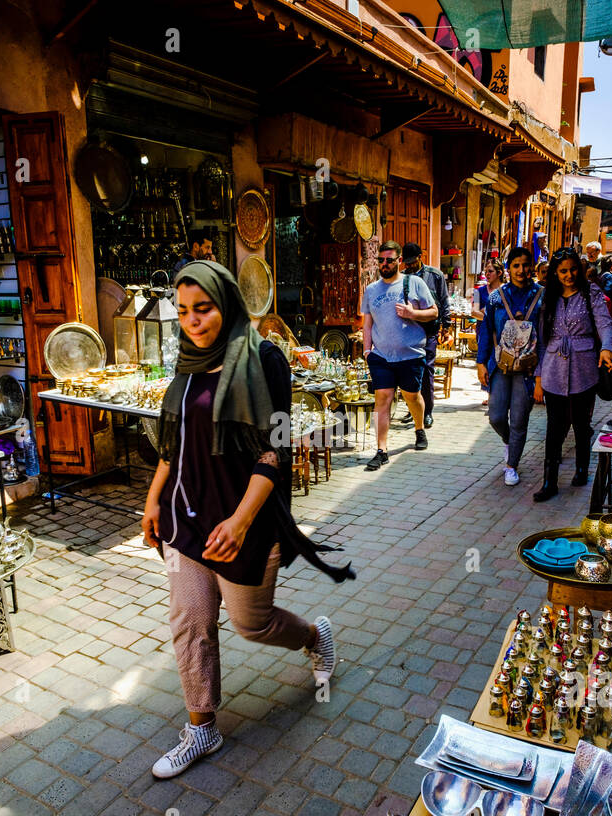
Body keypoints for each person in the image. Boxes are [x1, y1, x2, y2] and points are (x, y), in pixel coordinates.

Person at [142, 261, 354, 779]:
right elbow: (175, 441)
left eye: (205, 309)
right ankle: (202, 727)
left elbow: (274, 450)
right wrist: (152, 500)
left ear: (229, 303)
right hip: (186, 517)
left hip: (246, 521)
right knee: (190, 620)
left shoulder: (265, 360)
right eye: (184, 310)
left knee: (249, 623)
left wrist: (238, 521)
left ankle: (312, 635)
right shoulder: (190, 362)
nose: (193, 321)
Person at [532, 248, 612, 502]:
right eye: (562, 271)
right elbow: (540, 339)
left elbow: (604, 322)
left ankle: (582, 468)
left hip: (584, 367)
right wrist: (538, 376)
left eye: (572, 270)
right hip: (552, 368)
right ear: (555, 273)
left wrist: (606, 347)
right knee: (554, 426)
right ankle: (550, 481)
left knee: (581, 423)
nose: (569, 275)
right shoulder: (548, 297)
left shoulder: (591, 292)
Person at [361, 240, 437, 470]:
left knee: (412, 397)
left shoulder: (414, 283)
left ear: (399, 261)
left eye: (389, 260)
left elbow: (434, 312)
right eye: (381, 260)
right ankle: (381, 450)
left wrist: (413, 312)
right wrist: (367, 351)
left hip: (411, 354)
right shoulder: (371, 290)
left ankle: (419, 428)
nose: (384, 264)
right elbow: (367, 324)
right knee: (382, 399)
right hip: (382, 356)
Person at [477, 246, 544, 487]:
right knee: (496, 416)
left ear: (532, 267)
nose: (521, 270)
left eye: (526, 265)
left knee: (519, 419)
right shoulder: (496, 297)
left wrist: (539, 377)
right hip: (500, 365)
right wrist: (480, 363)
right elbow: (486, 330)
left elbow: (546, 338)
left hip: (527, 368)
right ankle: (509, 442)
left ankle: (511, 465)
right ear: (508, 269)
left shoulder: (542, 297)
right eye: (516, 265)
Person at [401, 242, 449, 429]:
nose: (410, 266)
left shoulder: (434, 275)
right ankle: (413, 409)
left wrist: (446, 326)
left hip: (429, 329)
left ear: (421, 257)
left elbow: (444, 301)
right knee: (409, 371)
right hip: (408, 331)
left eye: (412, 261)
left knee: (427, 370)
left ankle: (427, 411)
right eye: (406, 263)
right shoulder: (403, 277)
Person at [472, 258, 505, 406]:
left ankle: (498, 393)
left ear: (499, 273)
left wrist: (486, 314)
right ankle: (490, 392)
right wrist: (490, 316)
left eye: (490, 271)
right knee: (485, 360)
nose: (487, 274)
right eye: (486, 272)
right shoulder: (479, 291)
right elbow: (474, 312)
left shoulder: (506, 290)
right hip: (484, 331)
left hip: (502, 333)